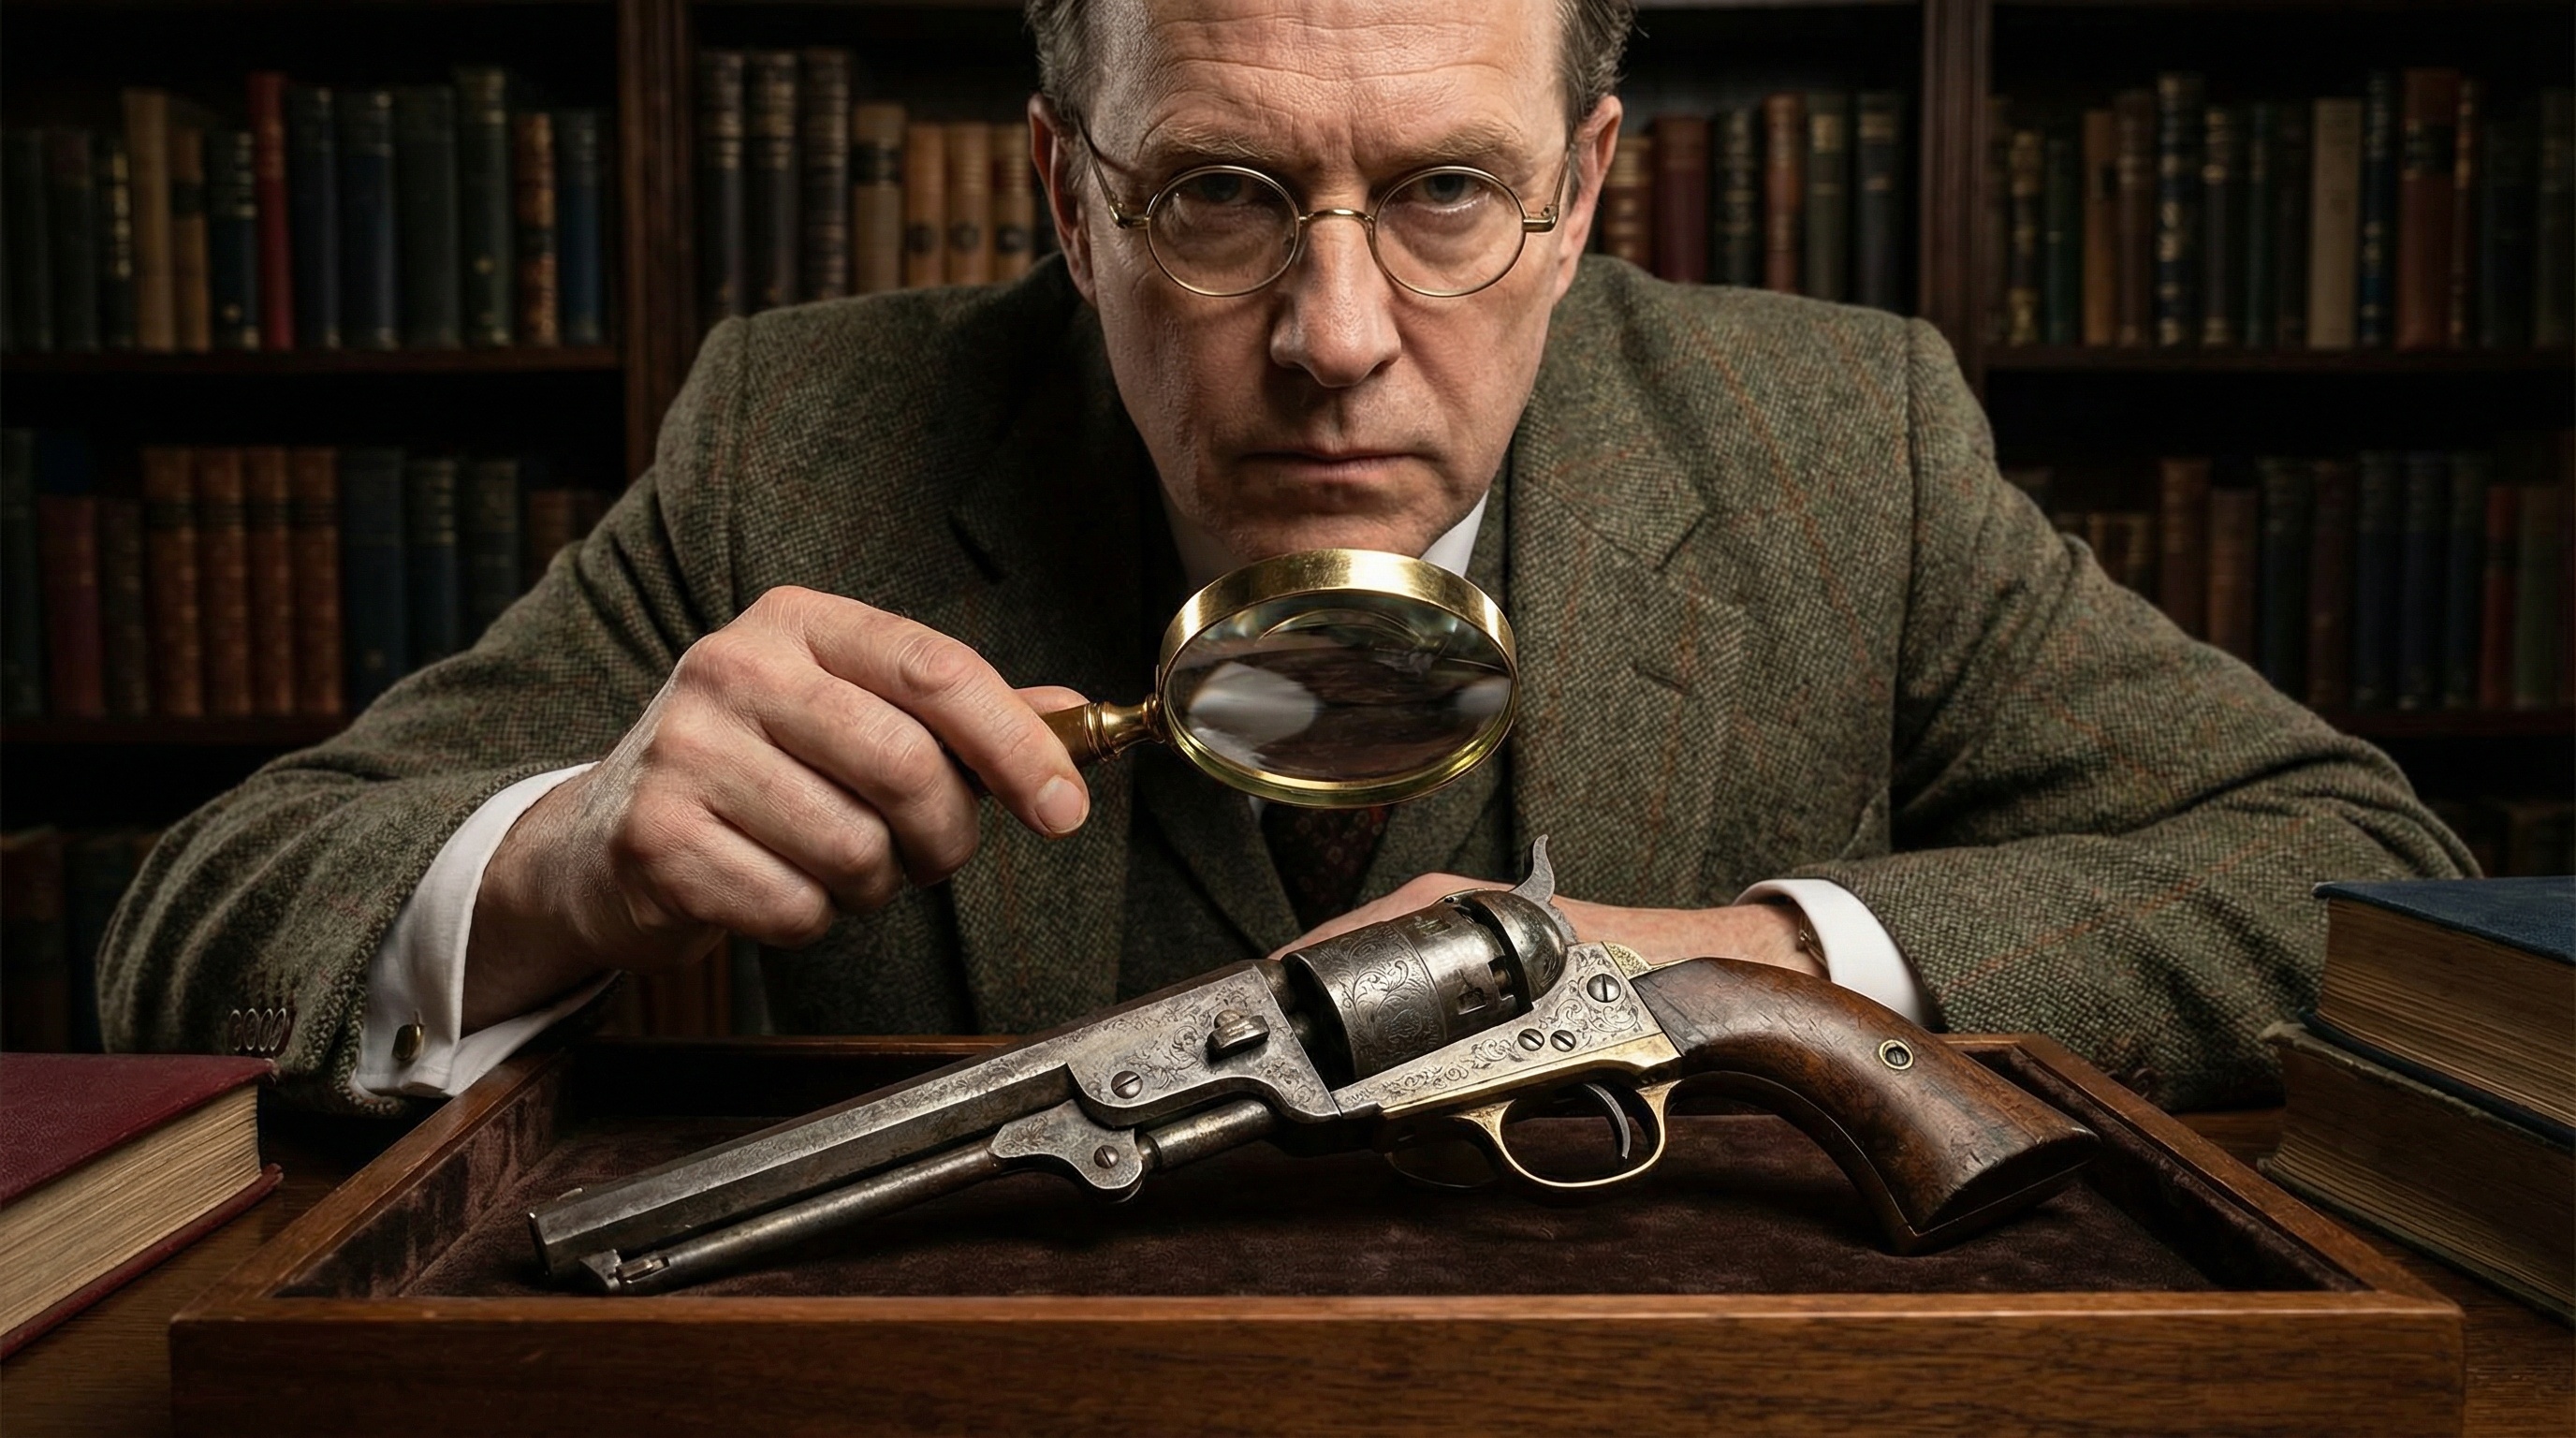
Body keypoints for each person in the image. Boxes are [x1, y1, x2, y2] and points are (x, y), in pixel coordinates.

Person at [100, 0, 2467, 1118]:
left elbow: (2350, 880)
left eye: (1443, 196)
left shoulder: (1840, 436)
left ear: (1581, 194)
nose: (1335, 344)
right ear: (1060, 192)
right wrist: (568, 861)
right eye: (1218, 196)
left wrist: (1737, 961)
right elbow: (204, 930)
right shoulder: (795, 432)